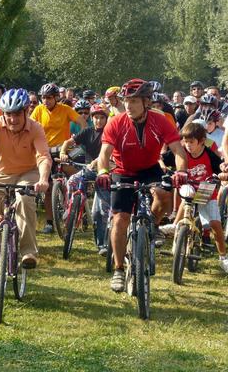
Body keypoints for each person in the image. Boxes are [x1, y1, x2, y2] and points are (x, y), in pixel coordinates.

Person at [96, 78, 187, 293]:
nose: (128, 105)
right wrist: (103, 172)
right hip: (123, 171)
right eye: (126, 101)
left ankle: (152, 223)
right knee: (120, 219)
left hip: (150, 169)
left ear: (147, 102)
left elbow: (178, 150)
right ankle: (119, 269)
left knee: (164, 194)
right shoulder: (115, 122)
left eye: (134, 101)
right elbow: (104, 155)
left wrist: (181, 170)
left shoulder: (160, 120)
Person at [0, 88, 51, 285]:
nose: (12, 119)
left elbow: (43, 156)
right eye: (8, 114)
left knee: (24, 200)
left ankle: (28, 252)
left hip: (27, 174)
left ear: (26, 111)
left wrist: (43, 179)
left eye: (17, 114)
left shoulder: (36, 128)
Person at [162, 122, 228, 273]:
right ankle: (176, 225)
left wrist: (223, 174)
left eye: (191, 142)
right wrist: (161, 164)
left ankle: (223, 258)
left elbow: (221, 168)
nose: (187, 145)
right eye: (185, 141)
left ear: (202, 141)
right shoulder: (182, 152)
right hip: (189, 187)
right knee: (186, 193)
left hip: (206, 190)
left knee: (215, 224)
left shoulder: (209, 155)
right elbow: (161, 158)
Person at [31, 83, 87, 233]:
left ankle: (79, 206)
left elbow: (82, 122)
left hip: (63, 149)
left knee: (76, 175)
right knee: (48, 188)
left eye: (49, 98)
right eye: (43, 97)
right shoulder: (38, 110)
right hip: (45, 151)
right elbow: (30, 126)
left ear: (56, 97)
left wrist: (78, 139)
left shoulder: (65, 109)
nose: (46, 101)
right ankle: (49, 222)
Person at [60, 104, 111, 254]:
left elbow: (106, 154)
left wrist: (96, 162)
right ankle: (71, 209)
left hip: (104, 172)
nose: (98, 121)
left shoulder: (109, 133)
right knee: (72, 181)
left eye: (102, 118)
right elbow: (68, 142)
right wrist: (63, 152)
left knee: (100, 211)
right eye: (96, 118)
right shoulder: (88, 131)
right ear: (92, 118)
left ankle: (102, 245)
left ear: (106, 119)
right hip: (88, 170)